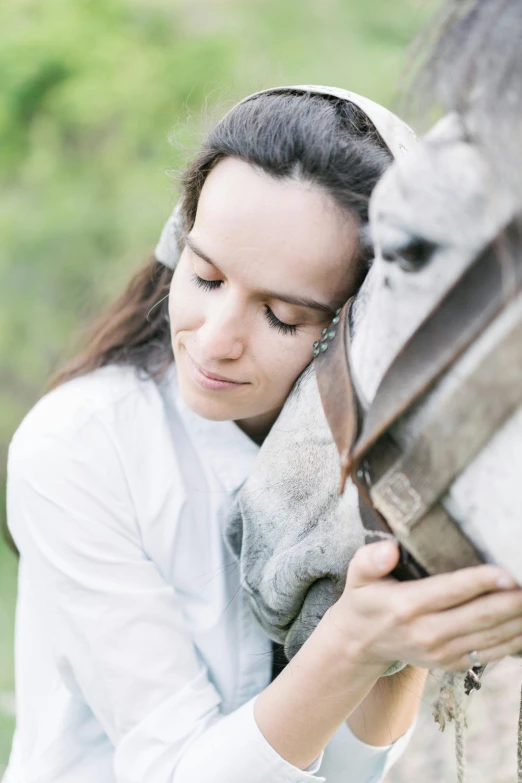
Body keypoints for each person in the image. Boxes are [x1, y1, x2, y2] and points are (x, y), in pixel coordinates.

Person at [5, 85, 522, 783]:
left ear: (360, 329)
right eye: (205, 276)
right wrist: (354, 639)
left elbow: (348, 772)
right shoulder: (77, 445)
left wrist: (395, 614)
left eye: (282, 316)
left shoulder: (362, 466)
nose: (216, 341)